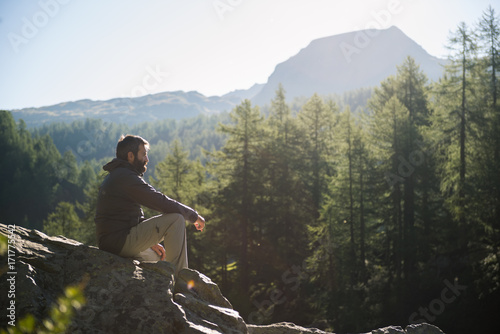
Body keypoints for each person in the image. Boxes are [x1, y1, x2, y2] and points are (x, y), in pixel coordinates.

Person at [94, 134, 205, 275]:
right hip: (118, 241)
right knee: (176, 219)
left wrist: (150, 242)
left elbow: (125, 215)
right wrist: (193, 216)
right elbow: (159, 201)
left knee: (156, 258)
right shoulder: (125, 177)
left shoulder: (119, 174)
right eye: (144, 154)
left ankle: (163, 283)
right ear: (131, 156)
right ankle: (180, 280)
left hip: (114, 240)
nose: (147, 159)